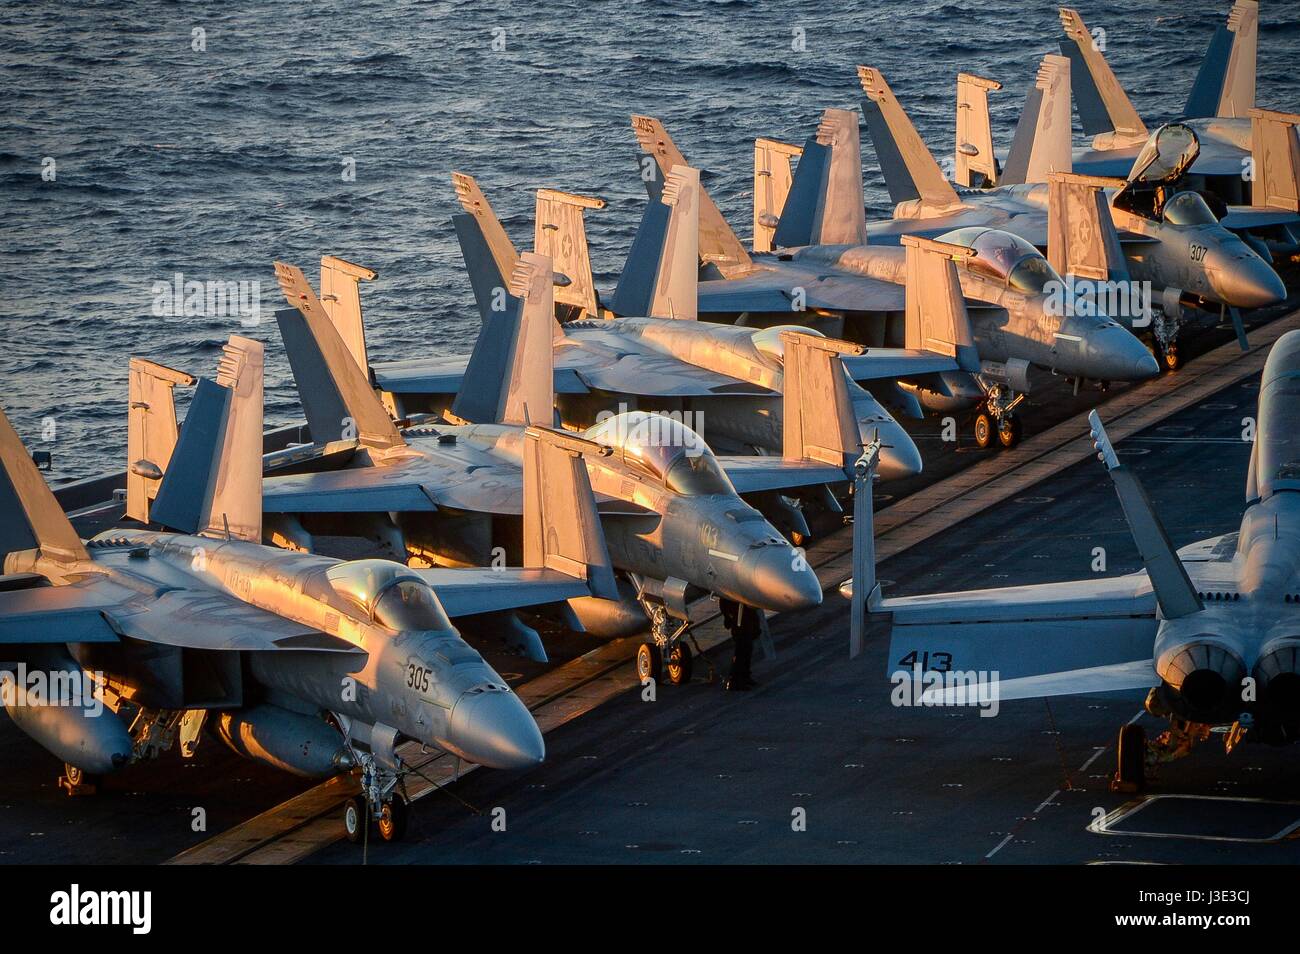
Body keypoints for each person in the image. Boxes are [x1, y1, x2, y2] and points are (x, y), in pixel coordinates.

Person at [719, 598, 761, 691]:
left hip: (745, 619)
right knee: (741, 650)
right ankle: (735, 681)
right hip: (739, 622)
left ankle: (744, 676)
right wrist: (728, 617)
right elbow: (724, 602)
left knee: (746, 649)